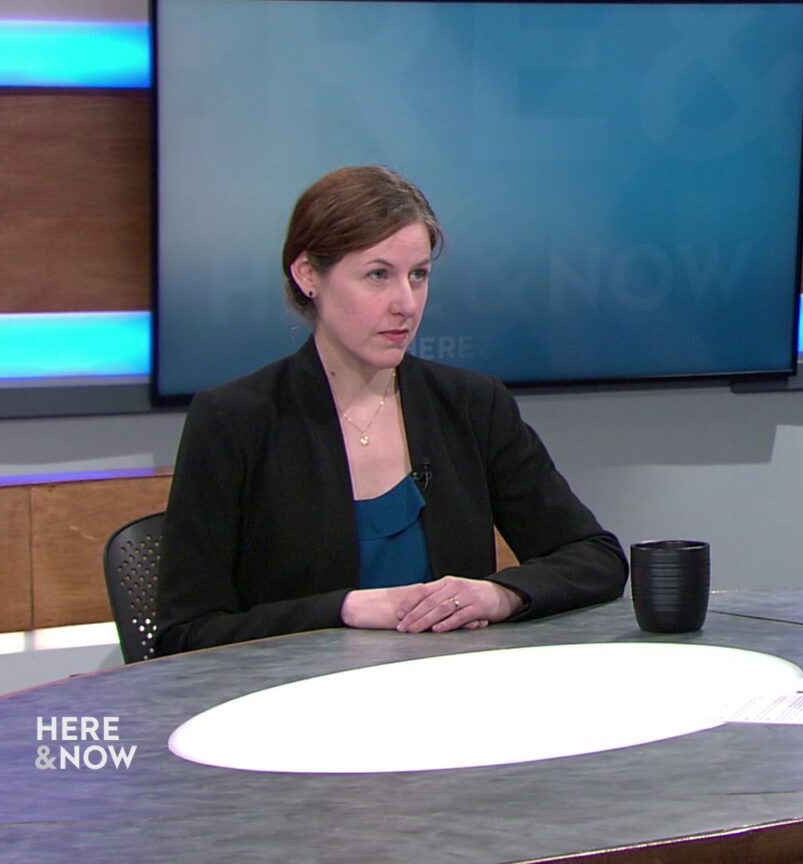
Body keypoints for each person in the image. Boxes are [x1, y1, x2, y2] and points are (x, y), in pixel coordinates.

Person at [155, 165, 627, 654]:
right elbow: (185, 634)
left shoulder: (470, 405)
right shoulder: (235, 420)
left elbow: (596, 557)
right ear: (307, 275)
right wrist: (344, 609)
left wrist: (499, 594)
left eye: (418, 275)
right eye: (378, 275)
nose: (406, 303)